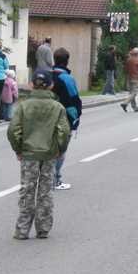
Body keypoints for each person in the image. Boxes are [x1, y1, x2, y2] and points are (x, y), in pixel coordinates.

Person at [7, 70, 70, 240]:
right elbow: (64, 131)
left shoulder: (23, 106)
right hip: (49, 154)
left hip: (28, 153)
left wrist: (18, 149)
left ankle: (22, 229)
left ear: (31, 84)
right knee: (45, 190)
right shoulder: (57, 107)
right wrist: (60, 149)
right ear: (51, 85)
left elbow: (13, 130)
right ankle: (43, 228)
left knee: (27, 190)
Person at [52, 48, 83, 191]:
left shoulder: (46, 76)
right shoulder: (67, 79)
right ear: (67, 61)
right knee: (60, 150)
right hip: (62, 119)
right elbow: (73, 101)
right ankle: (55, 179)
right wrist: (75, 119)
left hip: (44, 118)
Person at [121, 48, 138, 113]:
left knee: (131, 93)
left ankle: (134, 107)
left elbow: (125, 69)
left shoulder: (128, 60)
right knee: (135, 92)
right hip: (135, 77)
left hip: (129, 78)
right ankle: (125, 103)